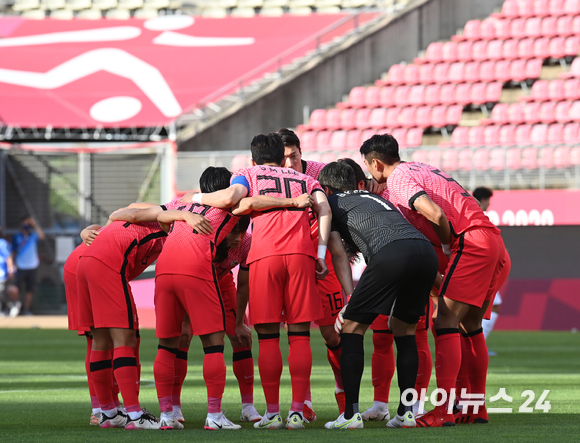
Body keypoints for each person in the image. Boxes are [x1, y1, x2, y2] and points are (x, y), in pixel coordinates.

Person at [111, 166, 315, 430]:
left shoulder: (183, 206)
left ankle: (175, 414)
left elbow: (137, 210)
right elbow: (246, 201)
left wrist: (240, 319)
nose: (237, 237)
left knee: (191, 341)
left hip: (175, 272)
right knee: (209, 343)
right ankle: (210, 414)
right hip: (198, 270)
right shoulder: (229, 205)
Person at [360, 134, 511, 427]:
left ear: (376, 164)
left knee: (443, 323)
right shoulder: (420, 167)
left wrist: (445, 246)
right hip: (493, 241)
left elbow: (435, 213)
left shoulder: (399, 179)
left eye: (368, 168)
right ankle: (474, 407)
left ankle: (442, 410)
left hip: (469, 243)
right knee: (470, 327)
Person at [192, 133, 332, 430]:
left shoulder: (248, 173)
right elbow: (325, 209)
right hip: (301, 256)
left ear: (253, 159)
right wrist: (320, 253)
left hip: (264, 256)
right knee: (300, 337)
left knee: (268, 337)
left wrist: (195, 198)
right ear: (284, 158)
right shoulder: (305, 179)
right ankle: (297, 411)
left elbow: (232, 200)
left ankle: (271, 413)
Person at [317, 161, 439, 430]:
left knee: (350, 329)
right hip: (425, 253)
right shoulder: (372, 196)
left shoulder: (331, 203)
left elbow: (338, 253)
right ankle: (407, 414)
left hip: (391, 254)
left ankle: (350, 415)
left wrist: (350, 300)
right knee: (403, 330)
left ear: (326, 188)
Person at [76, 214, 169, 430]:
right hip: (108, 266)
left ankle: (108, 413)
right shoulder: (164, 227)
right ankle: (135, 416)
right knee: (125, 338)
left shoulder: (128, 224)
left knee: (100, 341)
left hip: (84, 264)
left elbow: (112, 219)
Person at [279, 128, 346, 419]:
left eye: (293, 156)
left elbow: (346, 188)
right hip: (291, 262)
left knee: (334, 335)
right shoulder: (270, 177)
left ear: (301, 153)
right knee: (297, 334)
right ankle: (302, 403)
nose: (289, 164)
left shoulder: (318, 174)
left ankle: (344, 394)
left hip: (324, 263)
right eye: (283, 159)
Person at [472, 187, 502, 353]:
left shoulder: (468, 213)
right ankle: (476, 345)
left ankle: (476, 344)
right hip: (482, 268)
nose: (489, 204)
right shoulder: (478, 217)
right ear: (483, 200)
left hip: (479, 267)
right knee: (492, 306)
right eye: (488, 200)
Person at [11, 215, 45, 316]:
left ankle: (26, 309)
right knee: (17, 288)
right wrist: (12, 265)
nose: (27, 225)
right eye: (25, 223)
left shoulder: (33, 235)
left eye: (28, 223)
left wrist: (34, 224)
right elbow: (13, 252)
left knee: (30, 289)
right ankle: (15, 306)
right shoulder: (17, 236)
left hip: (32, 266)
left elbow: (42, 236)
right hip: (20, 266)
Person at [0, 226, 16, 317]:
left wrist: (10, 269)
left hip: (2, 272)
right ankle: (2, 309)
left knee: (2, 291)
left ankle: (12, 305)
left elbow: (8, 257)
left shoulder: (2, 243)